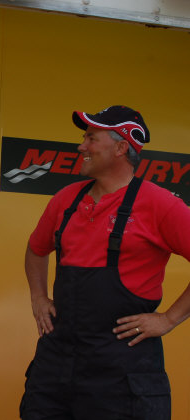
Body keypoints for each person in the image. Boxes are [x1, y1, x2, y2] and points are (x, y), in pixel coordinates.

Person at [20, 105, 190, 420]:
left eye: (91, 138)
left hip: (123, 370)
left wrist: (168, 319)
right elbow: (36, 249)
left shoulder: (160, 204)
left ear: (121, 148)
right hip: (56, 364)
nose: (81, 147)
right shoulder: (66, 199)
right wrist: (38, 297)